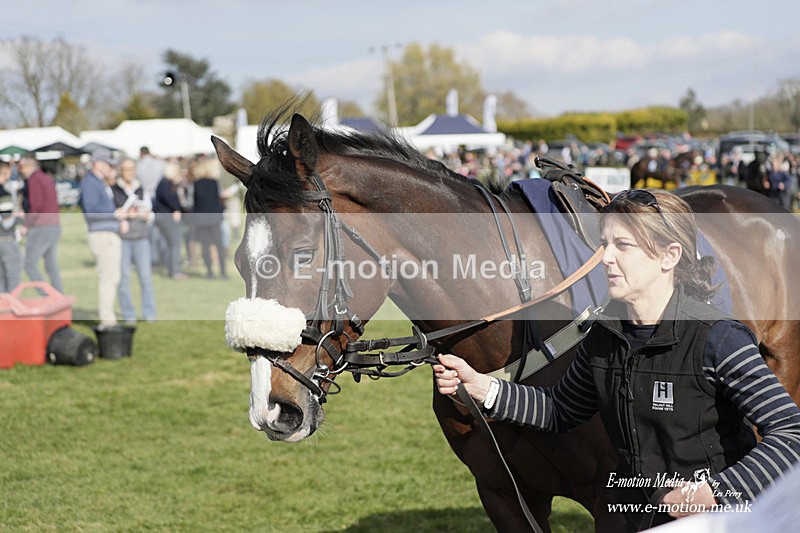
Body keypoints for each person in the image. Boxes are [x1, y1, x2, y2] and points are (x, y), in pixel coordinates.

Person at [434, 189, 800, 531]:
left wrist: (715, 492)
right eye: (604, 244)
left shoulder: (718, 338)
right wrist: (482, 386)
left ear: (669, 256)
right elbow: (560, 409)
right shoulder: (604, 335)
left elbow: (791, 433)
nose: (605, 257)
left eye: (622, 245)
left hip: (718, 521)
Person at [79, 151, 122, 327]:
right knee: (108, 278)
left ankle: (108, 316)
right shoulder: (90, 182)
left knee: (112, 278)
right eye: (108, 164)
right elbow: (91, 211)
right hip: (102, 235)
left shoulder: (98, 182)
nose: (111, 168)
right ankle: (107, 319)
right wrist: (114, 214)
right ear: (98, 163)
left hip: (108, 233)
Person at [112, 158, 156, 323]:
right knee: (124, 277)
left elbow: (151, 215)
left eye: (132, 168)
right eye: (126, 169)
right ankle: (128, 315)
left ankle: (149, 313)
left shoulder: (141, 190)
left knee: (145, 277)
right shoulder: (114, 189)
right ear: (121, 170)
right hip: (122, 239)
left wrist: (143, 215)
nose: (129, 172)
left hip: (141, 237)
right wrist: (121, 215)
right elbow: (112, 213)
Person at [17, 154, 63, 293]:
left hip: (42, 226)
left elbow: (36, 206)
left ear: (28, 165)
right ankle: (59, 295)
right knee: (51, 265)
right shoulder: (46, 177)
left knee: (29, 264)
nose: (20, 171)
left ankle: (47, 296)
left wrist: (26, 225)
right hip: (54, 225)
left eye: (21, 167)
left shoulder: (34, 179)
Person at [189, 157, 227, 279]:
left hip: (201, 219)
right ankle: (223, 272)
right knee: (219, 245)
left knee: (205, 246)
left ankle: (210, 272)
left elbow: (190, 203)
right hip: (214, 218)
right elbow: (220, 200)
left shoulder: (194, 184)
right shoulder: (215, 183)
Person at [153, 160, 187, 280]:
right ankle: (175, 271)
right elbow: (169, 199)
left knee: (169, 243)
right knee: (175, 243)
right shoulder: (166, 184)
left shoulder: (164, 183)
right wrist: (178, 208)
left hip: (163, 215)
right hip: (166, 216)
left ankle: (171, 268)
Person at [0, 160, 22, 293]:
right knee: (13, 278)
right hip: (6, 240)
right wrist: (17, 215)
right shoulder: (4, 193)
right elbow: (6, 223)